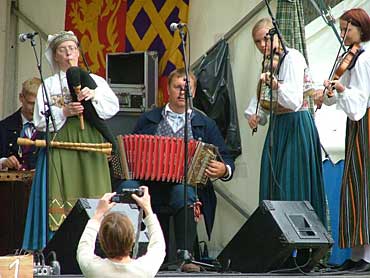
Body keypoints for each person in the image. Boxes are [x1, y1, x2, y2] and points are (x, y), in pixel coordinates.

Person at [116, 68, 235, 272]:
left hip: (183, 184)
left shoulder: (205, 124)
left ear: (194, 92)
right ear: (168, 90)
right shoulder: (149, 119)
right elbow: (129, 151)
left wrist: (224, 169)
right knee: (127, 187)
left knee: (185, 193)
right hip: (150, 183)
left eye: (187, 88)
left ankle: (185, 256)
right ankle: (122, 252)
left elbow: (227, 157)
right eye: (178, 87)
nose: (183, 92)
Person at [22, 31, 119, 250]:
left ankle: (99, 245)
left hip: (90, 144)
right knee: (60, 193)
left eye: (72, 49)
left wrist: (93, 96)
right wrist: (64, 112)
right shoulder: (48, 85)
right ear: (55, 56)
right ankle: (56, 248)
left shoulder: (95, 80)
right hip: (61, 144)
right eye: (63, 50)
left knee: (93, 190)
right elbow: (39, 121)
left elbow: (113, 108)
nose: (69, 54)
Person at [244, 18, 328, 229]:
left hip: (297, 124)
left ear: (276, 35)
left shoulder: (292, 58)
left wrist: (277, 86)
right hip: (278, 127)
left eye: (265, 39)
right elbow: (261, 105)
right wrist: (255, 117)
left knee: (295, 182)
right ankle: (277, 244)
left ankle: (304, 247)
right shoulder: (267, 63)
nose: (262, 45)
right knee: (273, 183)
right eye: (257, 42)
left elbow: (293, 101)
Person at [317, 8, 370, 272]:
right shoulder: (353, 56)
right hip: (356, 126)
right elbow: (341, 100)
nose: (343, 34)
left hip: (366, 123)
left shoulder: (364, 58)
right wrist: (330, 92)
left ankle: (367, 257)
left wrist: (340, 89)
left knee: (364, 187)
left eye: (347, 29)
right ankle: (358, 254)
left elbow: (359, 103)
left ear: (361, 29)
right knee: (355, 186)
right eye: (342, 29)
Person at [76, 186, 166, 278]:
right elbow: (158, 245)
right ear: (132, 239)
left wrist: (98, 214)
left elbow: (84, 246)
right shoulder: (144, 269)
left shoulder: (93, 269)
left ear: (102, 240)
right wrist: (147, 208)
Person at [0, 77, 42, 171]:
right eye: (31, 103)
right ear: (21, 98)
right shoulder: (4, 127)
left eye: (39, 104)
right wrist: (4, 162)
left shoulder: (51, 127)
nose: (35, 109)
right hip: (12, 184)